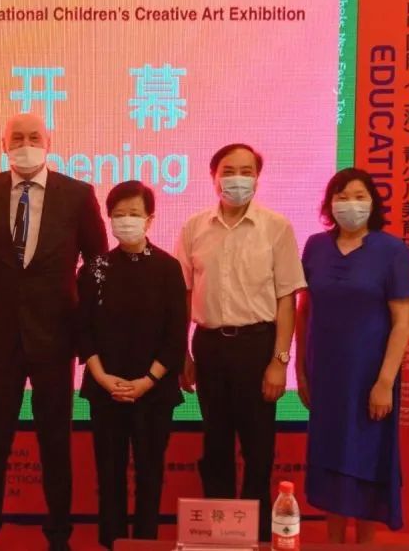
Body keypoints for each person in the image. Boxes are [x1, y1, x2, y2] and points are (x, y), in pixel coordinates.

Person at [0, 112, 108, 551]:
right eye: (17, 138)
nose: (25, 145)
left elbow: (97, 261)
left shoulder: (77, 194)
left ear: (49, 143)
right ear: (3, 145)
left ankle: (58, 533)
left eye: (34, 137)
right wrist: (6, 295)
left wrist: (68, 303)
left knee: (55, 440)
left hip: (56, 335)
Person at [176, 143, 306, 542]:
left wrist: (280, 361)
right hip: (209, 345)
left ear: (257, 178)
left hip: (257, 346)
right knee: (215, 442)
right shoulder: (194, 227)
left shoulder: (276, 227)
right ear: (213, 176)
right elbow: (183, 294)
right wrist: (183, 353)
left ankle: (258, 536)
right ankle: (218, 535)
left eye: (246, 171)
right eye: (228, 171)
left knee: (258, 446)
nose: (237, 179)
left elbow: (287, 299)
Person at [295, 168, 409, 541]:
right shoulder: (315, 246)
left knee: (366, 462)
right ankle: (333, 543)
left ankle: (364, 544)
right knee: (330, 459)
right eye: (342, 196)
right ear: (330, 203)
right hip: (326, 375)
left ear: (373, 203)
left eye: (360, 196)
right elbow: (304, 311)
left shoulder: (392, 251)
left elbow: (403, 322)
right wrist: (300, 371)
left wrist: (385, 382)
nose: (351, 203)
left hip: (369, 378)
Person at [76, 181, 188, 550]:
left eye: (134, 214)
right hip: (105, 389)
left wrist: (147, 381)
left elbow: (175, 336)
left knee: (149, 474)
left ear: (150, 219)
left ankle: (145, 544)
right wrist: (102, 377)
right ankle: (112, 543)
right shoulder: (95, 269)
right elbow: (83, 330)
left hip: (153, 392)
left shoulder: (168, 268)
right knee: (109, 475)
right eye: (119, 214)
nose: (126, 221)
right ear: (109, 219)